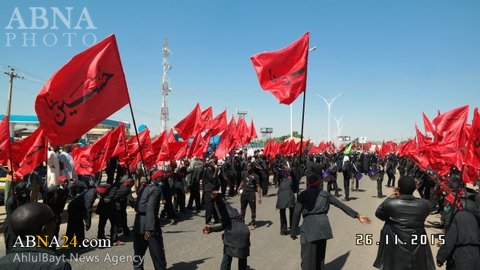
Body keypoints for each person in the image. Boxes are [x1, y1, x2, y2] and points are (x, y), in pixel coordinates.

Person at [290, 174, 371, 270]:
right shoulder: (325, 194)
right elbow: (341, 205)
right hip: (323, 228)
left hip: (308, 230)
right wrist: (357, 215)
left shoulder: (303, 195)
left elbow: (296, 213)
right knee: (320, 258)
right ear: (319, 184)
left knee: (307, 261)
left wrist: (293, 231)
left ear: (308, 184)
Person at [373, 175, 435, 270]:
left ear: (398, 188)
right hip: (416, 244)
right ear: (414, 188)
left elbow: (379, 214)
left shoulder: (391, 203)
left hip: (394, 244)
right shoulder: (425, 204)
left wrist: (390, 198)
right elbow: (425, 214)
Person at [0, 202, 72, 269]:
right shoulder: (59, 266)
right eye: (54, 220)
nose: (56, 224)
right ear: (44, 230)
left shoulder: (2, 263)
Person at [203, 192, 250, 270]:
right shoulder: (231, 208)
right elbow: (225, 223)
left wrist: (217, 197)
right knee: (242, 258)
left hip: (233, 233)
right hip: (244, 232)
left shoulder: (221, 207)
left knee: (227, 257)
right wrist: (211, 229)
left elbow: (221, 203)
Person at [132, 170, 167, 270]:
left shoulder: (143, 188)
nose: (163, 179)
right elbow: (150, 208)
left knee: (138, 254)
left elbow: (136, 207)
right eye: (161, 177)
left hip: (138, 223)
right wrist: (149, 228)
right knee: (157, 254)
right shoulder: (156, 189)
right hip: (149, 224)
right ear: (157, 178)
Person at [436, 192, 480, 269]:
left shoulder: (459, 216)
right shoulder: (476, 218)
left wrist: (441, 257)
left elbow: (450, 240)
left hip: (460, 258)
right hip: (476, 259)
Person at [3, 182, 31, 254]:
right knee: (11, 245)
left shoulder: (26, 198)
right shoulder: (11, 201)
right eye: (26, 190)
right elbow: (11, 217)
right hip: (11, 224)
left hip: (22, 224)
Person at [237, 162, 262, 229]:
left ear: (252, 167)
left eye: (249, 166)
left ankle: (253, 223)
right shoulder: (244, 173)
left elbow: (258, 186)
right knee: (242, 208)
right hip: (244, 193)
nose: (247, 167)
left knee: (253, 209)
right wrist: (239, 188)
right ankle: (242, 222)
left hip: (251, 194)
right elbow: (242, 182)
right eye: (246, 166)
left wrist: (259, 197)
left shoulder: (256, 176)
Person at [276, 163, 296, 235]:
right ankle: (290, 228)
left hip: (284, 194)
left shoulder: (290, 176)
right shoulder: (281, 174)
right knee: (288, 212)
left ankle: (286, 229)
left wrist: (290, 171)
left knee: (286, 212)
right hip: (285, 194)